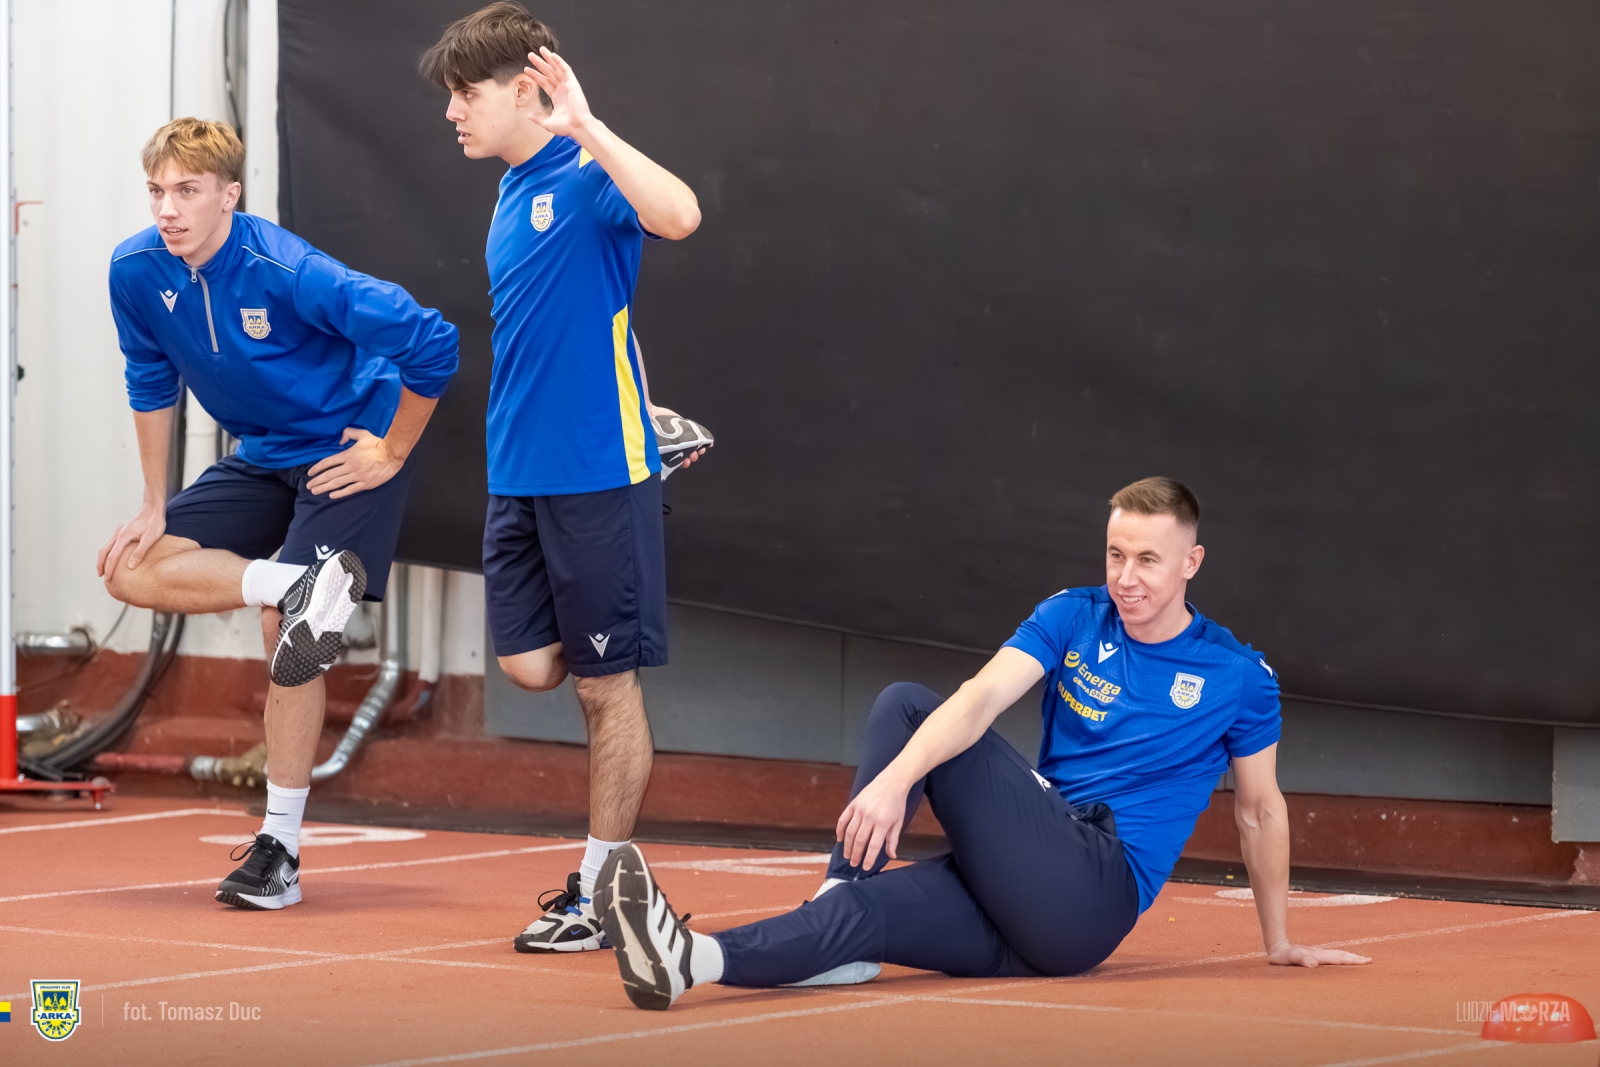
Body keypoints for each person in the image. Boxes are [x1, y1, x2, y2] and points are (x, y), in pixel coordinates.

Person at [592, 477, 1373, 1009]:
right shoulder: (1074, 614)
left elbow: (1260, 809)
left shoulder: (1235, 675)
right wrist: (894, 780)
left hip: (1094, 888)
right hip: (1026, 879)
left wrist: (1279, 940)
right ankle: (690, 959)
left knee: (907, 706)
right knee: (864, 906)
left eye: (1147, 559)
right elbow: (982, 697)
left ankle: (831, 897)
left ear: (1191, 563)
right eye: (1115, 554)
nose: (1126, 577)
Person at [98, 118, 459, 911]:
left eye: (188, 191)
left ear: (230, 194)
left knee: (288, 640)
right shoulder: (135, 268)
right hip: (263, 453)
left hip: (347, 444)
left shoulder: (291, 270)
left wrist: (391, 450)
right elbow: (149, 378)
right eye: (157, 191)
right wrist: (155, 502)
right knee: (129, 566)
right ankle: (289, 584)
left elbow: (432, 341)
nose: (168, 209)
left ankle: (280, 849)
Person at [419, 3, 706, 953]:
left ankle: (603, 891)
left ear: (525, 90)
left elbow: (680, 215)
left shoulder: (588, 174)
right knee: (530, 667)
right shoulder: (510, 190)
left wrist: (587, 126)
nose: (453, 112)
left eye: (467, 94)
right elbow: (583, 317)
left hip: (594, 474)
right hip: (518, 472)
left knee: (602, 687)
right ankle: (651, 423)